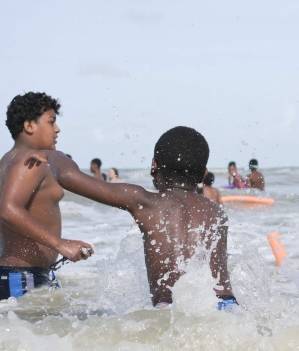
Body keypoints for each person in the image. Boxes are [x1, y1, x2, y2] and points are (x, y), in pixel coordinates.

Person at [31, 127, 236, 308]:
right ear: (203, 174)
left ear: (154, 165)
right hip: (226, 305)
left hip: (171, 308)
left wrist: (52, 154)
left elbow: (67, 176)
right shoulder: (216, 211)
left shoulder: (146, 202)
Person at [0, 92, 94, 301]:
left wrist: (18, 236)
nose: (57, 129)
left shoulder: (7, 159)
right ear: (29, 126)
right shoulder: (32, 162)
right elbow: (6, 209)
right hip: (20, 275)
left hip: (13, 272)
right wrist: (60, 244)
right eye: (51, 122)